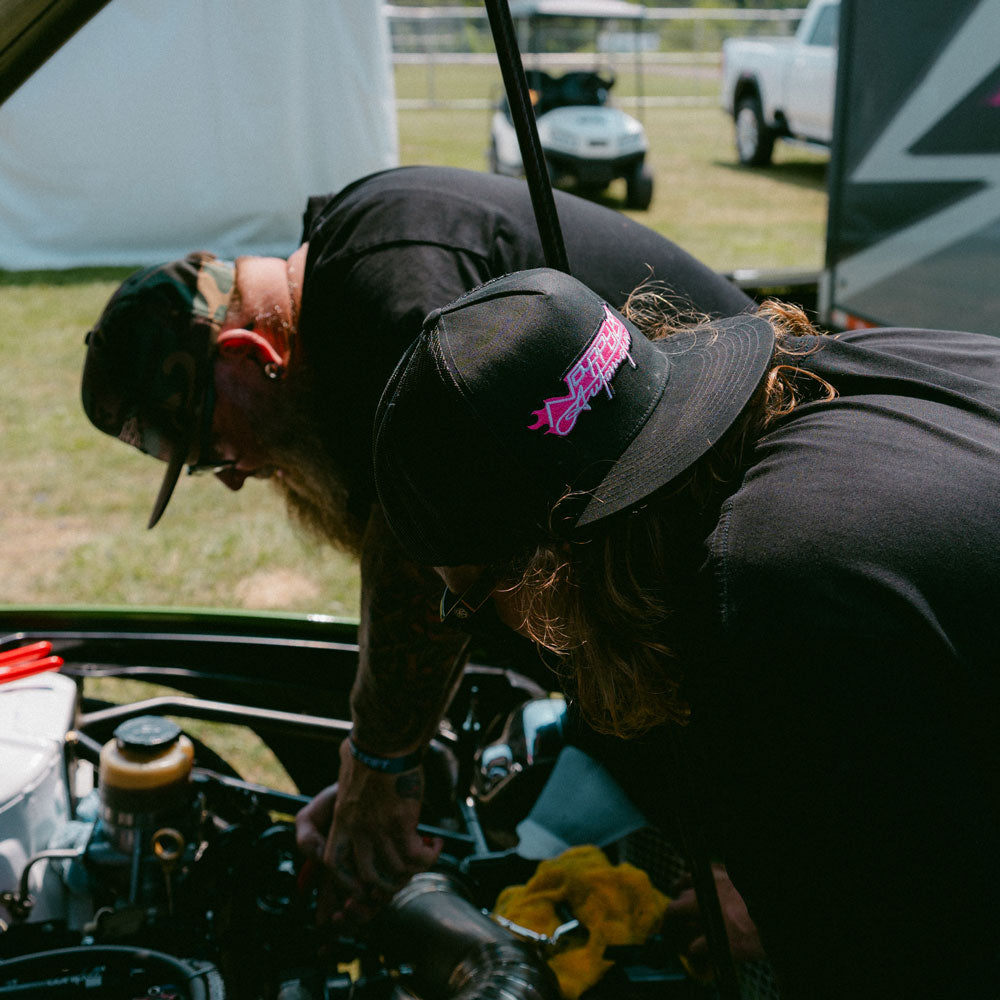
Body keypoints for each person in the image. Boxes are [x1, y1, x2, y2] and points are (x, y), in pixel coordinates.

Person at [80, 165, 754, 925]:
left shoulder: (387, 284)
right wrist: (383, 765)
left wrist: (380, 763)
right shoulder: (354, 289)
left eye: (210, 450)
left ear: (243, 353)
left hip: (769, 603)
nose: (233, 477)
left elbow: (426, 545)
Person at [371, 267, 1000, 998]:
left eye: (470, 601)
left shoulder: (770, 599)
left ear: (547, 562)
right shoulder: (865, 367)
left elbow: (911, 960)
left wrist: (798, 900)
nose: (488, 628)